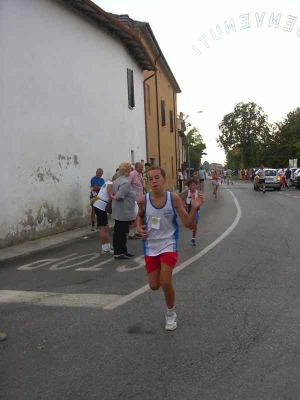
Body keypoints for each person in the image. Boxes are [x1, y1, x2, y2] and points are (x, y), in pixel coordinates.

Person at [137, 166, 204, 331]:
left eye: (156, 178)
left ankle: (170, 314)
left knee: (165, 281)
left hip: (168, 244)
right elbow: (139, 215)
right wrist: (139, 227)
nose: (153, 181)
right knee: (154, 286)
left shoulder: (173, 198)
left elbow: (188, 224)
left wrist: (194, 208)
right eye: (150, 179)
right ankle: (167, 300)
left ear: (164, 179)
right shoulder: (143, 200)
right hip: (151, 246)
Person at [111, 162, 136, 260]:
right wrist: (113, 197)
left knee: (120, 232)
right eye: (130, 169)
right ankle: (118, 252)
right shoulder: (125, 182)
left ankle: (123, 250)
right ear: (128, 170)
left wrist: (113, 196)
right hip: (123, 211)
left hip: (120, 210)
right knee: (120, 233)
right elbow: (119, 196)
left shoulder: (117, 180)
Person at [92, 177, 115, 254]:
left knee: (105, 226)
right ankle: (105, 248)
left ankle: (107, 245)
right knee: (103, 227)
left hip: (99, 205)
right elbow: (111, 196)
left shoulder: (108, 182)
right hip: (100, 206)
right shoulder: (111, 184)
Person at [182, 178, 201, 246]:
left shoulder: (198, 193)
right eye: (191, 185)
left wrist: (198, 203)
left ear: (196, 185)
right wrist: (183, 205)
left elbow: (201, 201)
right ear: (189, 186)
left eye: (194, 185)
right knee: (190, 226)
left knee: (195, 224)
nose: (192, 187)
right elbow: (182, 200)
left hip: (196, 210)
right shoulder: (187, 192)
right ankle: (191, 227)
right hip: (188, 210)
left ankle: (193, 238)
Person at [128, 162, 145, 239]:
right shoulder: (132, 174)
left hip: (140, 198)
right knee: (133, 216)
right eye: (141, 167)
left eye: (142, 167)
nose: (142, 169)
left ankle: (136, 231)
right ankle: (131, 233)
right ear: (136, 167)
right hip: (134, 199)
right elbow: (127, 184)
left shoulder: (140, 174)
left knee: (138, 216)